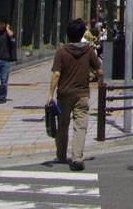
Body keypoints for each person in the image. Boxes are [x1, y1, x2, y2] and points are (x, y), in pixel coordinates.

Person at [48, 17, 103, 171]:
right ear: (81, 34)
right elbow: (99, 70)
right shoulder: (88, 51)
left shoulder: (61, 51)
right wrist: (100, 81)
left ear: (67, 34)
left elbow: (56, 74)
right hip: (82, 94)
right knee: (80, 127)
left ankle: (61, 155)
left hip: (64, 94)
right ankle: (77, 158)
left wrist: (50, 94)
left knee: (63, 125)